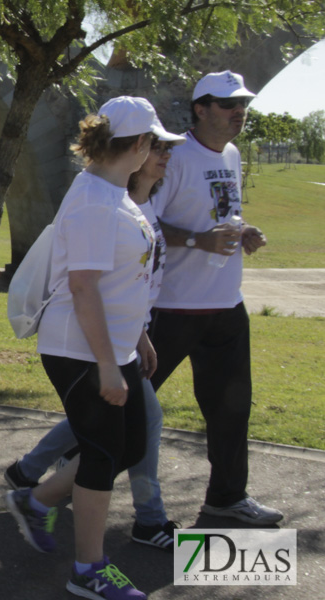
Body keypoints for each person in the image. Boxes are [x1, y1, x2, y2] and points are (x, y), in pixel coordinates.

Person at [4, 97, 181, 600]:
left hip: (113, 347)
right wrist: (108, 365)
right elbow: (82, 288)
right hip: (79, 350)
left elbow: (124, 277)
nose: (156, 150)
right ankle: (88, 570)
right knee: (103, 454)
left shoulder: (114, 192)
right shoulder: (95, 201)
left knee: (127, 446)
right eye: (155, 142)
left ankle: (36, 502)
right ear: (140, 144)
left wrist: (138, 336)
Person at [147, 71, 281, 525]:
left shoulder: (231, 152)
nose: (238, 112)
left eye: (242, 103)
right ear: (200, 109)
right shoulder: (174, 155)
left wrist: (244, 231)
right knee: (124, 402)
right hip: (173, 307)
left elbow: (225, 212)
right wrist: (196, 242)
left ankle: (226, 497)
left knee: (231, 410)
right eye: (227, 105)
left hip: (226, 303)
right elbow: (146, 222)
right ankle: (55, 473)